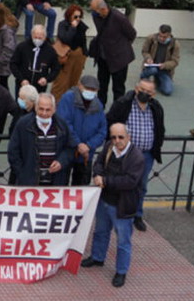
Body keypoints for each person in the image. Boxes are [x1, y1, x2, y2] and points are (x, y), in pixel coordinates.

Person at [80, 123, 145, 288]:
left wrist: (105, 180)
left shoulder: (136, 157)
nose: (117, 141)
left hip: (122, 206)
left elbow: (130, 181)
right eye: (114, 137)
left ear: (128, 137)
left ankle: (121, 271)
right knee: (100, 231)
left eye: (121, 137)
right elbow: (99, 162)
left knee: (123, 240)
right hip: (104, 200)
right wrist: (98, 174)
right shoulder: (109, 147)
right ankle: (97, 257)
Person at [106, 77, 164, 231]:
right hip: (124, 153)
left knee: (141, 186)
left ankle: (137, 214)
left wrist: (156, 146)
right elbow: (110, 121)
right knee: (119, 182)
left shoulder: (156, 107)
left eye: (148, 92)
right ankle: (115, 212)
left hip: (146, 155)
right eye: (142, 90)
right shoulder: (123, 104)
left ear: (154, 94)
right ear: (136, 89)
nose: (144, 93)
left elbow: (160, 129)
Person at [8, 93, 73, 186]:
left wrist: (61, 162)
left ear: (54, 109)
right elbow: (13, 151)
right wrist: (22, 174)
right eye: (41, 109)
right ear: (35, 107)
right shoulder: (23, 124)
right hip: (29, 184)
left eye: (48, 110)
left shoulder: (62, 125)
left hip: (55, 183)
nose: (44, 113)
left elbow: (69, 148)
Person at [58, 75, 106, 185]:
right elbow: (64, 123)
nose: (90, 91)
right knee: (61, 185)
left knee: (82, 187)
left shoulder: (98, 105)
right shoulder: (67, 99)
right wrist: (78, 144)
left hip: (86, 154)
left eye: (93, 90)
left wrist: (88, 146)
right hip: (67, 151)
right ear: (80, 86)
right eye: (87, 88)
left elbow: (102, 131)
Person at [89, 0, 136, 104]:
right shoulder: (96, 16)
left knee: (118, 88)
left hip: (119, 58)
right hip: (103, 56)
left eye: (95, 10)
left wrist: (120, 46)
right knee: (101, 85)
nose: (93, 13)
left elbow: (132, 34)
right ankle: (100, 107)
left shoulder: (119, 18)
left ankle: (118, 110)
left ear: (103, 9)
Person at [53, 4, 89, 100]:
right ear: (69, 15)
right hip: (65, 56)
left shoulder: (82, 27)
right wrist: (72, 28)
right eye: (75, 16)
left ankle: (70, 105)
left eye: (79, 16)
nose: (77, 18)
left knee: (74, 82)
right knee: (61, 83)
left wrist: (85, 55)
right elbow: (65, 39)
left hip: (78, 57)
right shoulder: (63, 25)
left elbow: (83, 42)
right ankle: (56, 105)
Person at [11, 24, 59, 93]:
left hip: (40, 88)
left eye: (40, 38)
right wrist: (21, 79)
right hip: (22, 85)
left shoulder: (50, 51)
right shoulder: (22, 47)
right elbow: (13, 64)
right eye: (35, 37)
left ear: (45, 37)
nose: (37, 40)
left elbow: (56, 68)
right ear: (31, 35)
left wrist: (47, 79)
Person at [139, 24, 179, 97]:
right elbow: (144, 51)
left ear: (169, 35)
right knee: (153, 70)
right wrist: (148, 58)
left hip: (164, 70)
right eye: (160, 36)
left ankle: (158, 80)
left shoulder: (175, 44)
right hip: (151, 66)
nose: (162, 38)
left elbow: (175, 61)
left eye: (164, 37)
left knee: (168, 91)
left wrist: (165, 65)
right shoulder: (151, 38)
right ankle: (143, 76)